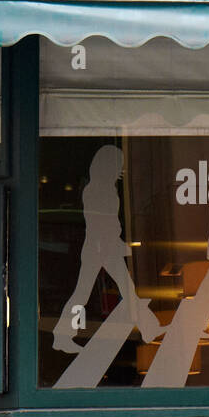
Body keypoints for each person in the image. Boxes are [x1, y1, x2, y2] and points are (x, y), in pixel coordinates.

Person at [52, 144, 162, 353]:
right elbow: (100, 223)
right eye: (118, 165)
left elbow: (106, 223)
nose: (121, 169)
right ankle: (62, 336)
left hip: (103, 246)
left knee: (123, 290)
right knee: (86, 293)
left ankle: (149, 329)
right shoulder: (96, 190)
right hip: (100, 247)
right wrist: (118, 245)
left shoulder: (103, 188)